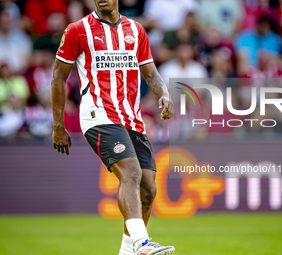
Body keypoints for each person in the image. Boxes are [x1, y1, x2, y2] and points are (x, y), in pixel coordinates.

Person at [51, 1, 175, 255]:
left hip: (131, 117)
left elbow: (150, 74)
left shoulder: (136, 30)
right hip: (98, 114)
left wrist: (165, 94)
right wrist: (58, 125)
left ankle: (127, 252)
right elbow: (58, 76)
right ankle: (142, 243)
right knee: (130, 172)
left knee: (148, 189)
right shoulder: (78, 30)